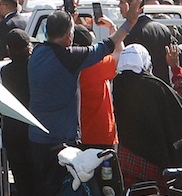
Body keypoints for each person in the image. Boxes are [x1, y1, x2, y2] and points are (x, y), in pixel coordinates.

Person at [27, 10, 117, 185]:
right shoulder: (80, 62)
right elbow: (114, 50)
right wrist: (121, 26)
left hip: (38, 137)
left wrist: (68, 16)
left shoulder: (37, 54)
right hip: (71, 140)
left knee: (46, 190)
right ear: (69, 36)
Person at [113, 42, 182, 191]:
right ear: (146, 64)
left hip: (125, 161)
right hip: (155, 165)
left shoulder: (115, 85)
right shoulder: (157, 87)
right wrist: (175, 68)